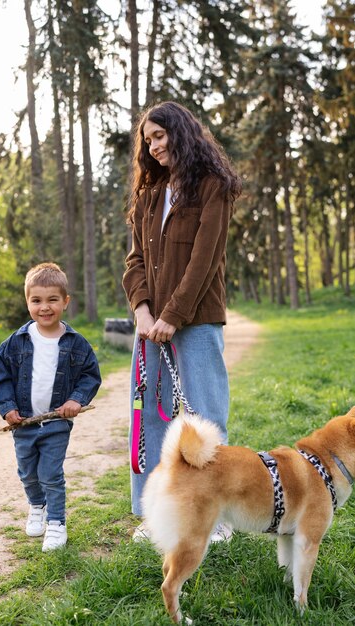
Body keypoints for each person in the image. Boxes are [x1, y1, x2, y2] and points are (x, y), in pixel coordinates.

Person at [122, 101, 241, 542]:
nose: (153, 147)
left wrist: (173, 315)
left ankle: (215, 518)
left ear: (182, 132)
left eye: (159, 136)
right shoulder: (149, 195)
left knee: (204, 418)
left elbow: (203, 260)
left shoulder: (213, 186)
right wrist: (144, 314)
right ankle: (157, 516)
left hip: (197, 322)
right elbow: (134, 262)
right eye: (147, 140)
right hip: (149, 327)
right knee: (151, 421)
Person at [0, 262, 101, 551]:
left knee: (50, 473)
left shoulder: (76, 344)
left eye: (53, 299)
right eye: (36, 300)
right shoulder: (15, 343)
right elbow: (0, 377)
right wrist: (7, 407)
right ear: (27, 302)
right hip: (23, 423)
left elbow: (90, 374)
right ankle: (36, 505)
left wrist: (76, 399)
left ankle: (56, 522)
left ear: (65, 301)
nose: (45, 307)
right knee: (27, 472)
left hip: (55, 424)